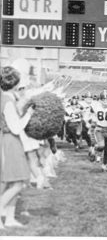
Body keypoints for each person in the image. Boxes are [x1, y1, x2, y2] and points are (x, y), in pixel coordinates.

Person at [0, 66, 34, 228]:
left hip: (8, 141)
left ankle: (10, 218)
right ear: (13, 82)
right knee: (18, 182)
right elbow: (15, 127)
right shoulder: (7, 101)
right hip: (9, 141)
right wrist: (28, 115)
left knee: (13, 182)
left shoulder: (6, 98)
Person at [89, 90, 107, 171]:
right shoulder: (95, 106)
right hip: (100, 128)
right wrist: (92, 123)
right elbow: (91, 115)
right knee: (101, 145)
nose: (105, 101)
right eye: (103, 99)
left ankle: (104, 164)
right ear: (100, 100)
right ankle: (95, 150)